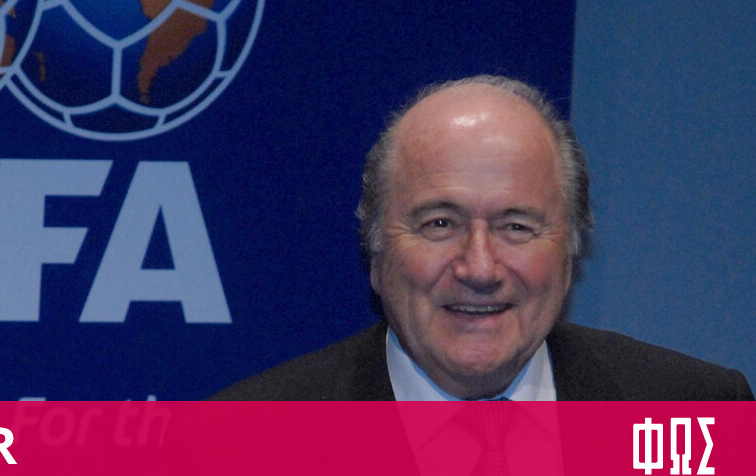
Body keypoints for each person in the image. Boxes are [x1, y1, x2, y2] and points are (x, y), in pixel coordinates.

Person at [213, 75, 754, 401]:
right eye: (439, 224)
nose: (479, 268)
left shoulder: (693, 414)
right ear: (376, 253)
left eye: (516, 226)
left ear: (570, 253)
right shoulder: (242, 446)